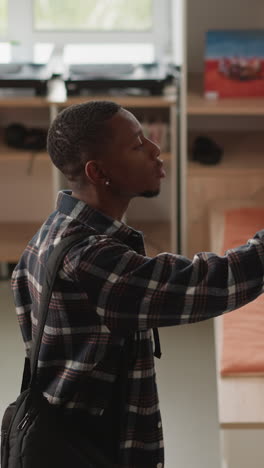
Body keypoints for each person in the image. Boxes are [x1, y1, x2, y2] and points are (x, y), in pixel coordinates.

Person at [11, 100, 264, 468]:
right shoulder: (90, 260)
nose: (155, 150)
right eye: (136, 145)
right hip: (92, 447)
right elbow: (202, 285)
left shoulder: (52, 231)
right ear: (98, 172)